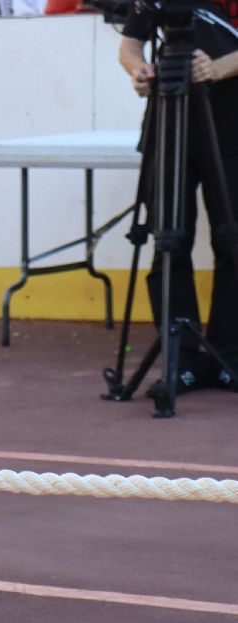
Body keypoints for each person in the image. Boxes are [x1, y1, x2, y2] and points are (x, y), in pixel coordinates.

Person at [120, 4, 238, 393]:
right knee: (169, 242)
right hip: (169, 119)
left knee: (232, 240)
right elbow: (130, 43)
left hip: (230, 123)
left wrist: (220, 68)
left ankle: (228, 357)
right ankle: (181, 358)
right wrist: (138, 69)